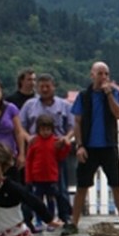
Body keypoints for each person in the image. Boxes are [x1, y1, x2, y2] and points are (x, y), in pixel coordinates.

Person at [63, 61, 119, 236]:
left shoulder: (114, 93)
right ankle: (73, 222)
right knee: (82, 186)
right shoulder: (84, 96)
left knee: (116, 184)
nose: (103, 77)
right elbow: (77, 121)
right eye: (100, 73)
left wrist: (108, 96)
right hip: (89, 147)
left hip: (109, 146)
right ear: (92, 75)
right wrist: (80, 145)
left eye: (106, 74)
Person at [19, 74, 75, 225]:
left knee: (60, 188)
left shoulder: (64, 105)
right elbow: (20, 126)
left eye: (47, 86)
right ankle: (34, 219)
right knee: (35, 192)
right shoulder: (29, 105)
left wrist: (66, 139)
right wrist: (28, 139)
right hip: (36, 150)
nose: (44, 89)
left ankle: (64, 216)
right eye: (41, 86)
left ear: (53, 87)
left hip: (57, 151)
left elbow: (72, 127)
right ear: (37, 87)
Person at [25, 114, 71, 228]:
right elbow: (29, 161)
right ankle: (39, 221)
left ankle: (50, 221)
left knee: (51, 200)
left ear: (52, 129)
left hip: (51, 177)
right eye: (42, 129)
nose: (45, 132)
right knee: (38, 201)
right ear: (38, 130)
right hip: (37, 178)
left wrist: (66, 146)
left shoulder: (56, 142)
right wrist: (28, 177)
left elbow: (61, 157)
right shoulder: (34, 142)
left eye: (48, 129)